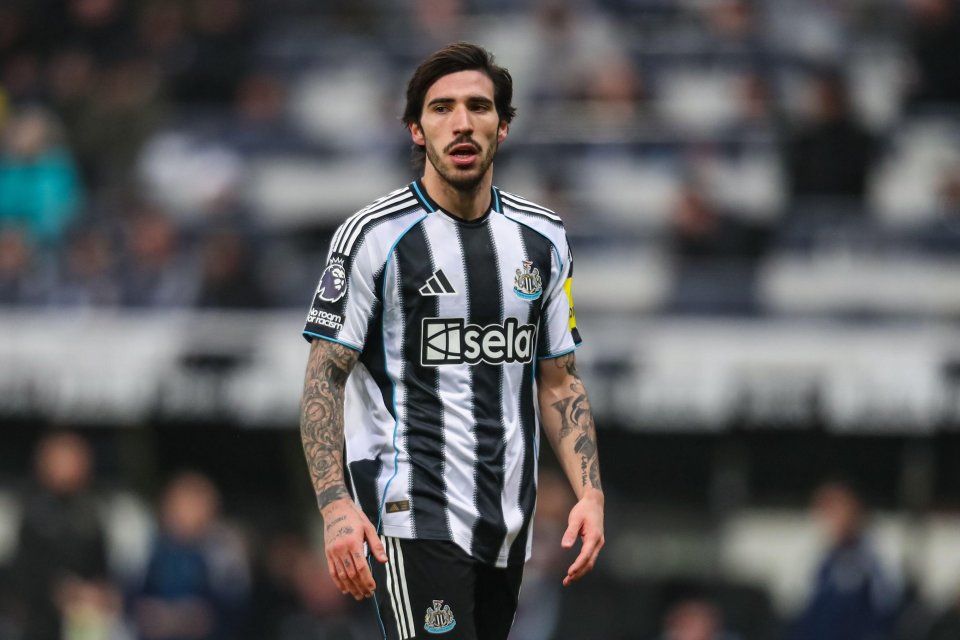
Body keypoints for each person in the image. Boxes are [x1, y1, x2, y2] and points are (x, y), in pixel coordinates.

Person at [298, 42, 604, 640]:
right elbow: (323, 375)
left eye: (478, 106)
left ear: (503, 125)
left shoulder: (544, 239)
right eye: (441, 109)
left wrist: (590, 493)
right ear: (417, 129)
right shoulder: (372, 238)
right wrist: (337, 507)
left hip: (508, 522)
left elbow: (560, 379)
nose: (461, 122)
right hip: (413, 512)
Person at [788, 480, 902, 640]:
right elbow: (799, 609)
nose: (830, 520)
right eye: (825, 512)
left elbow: (887, 604)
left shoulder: (873, 556)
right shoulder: (818, 558)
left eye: (836, 510)